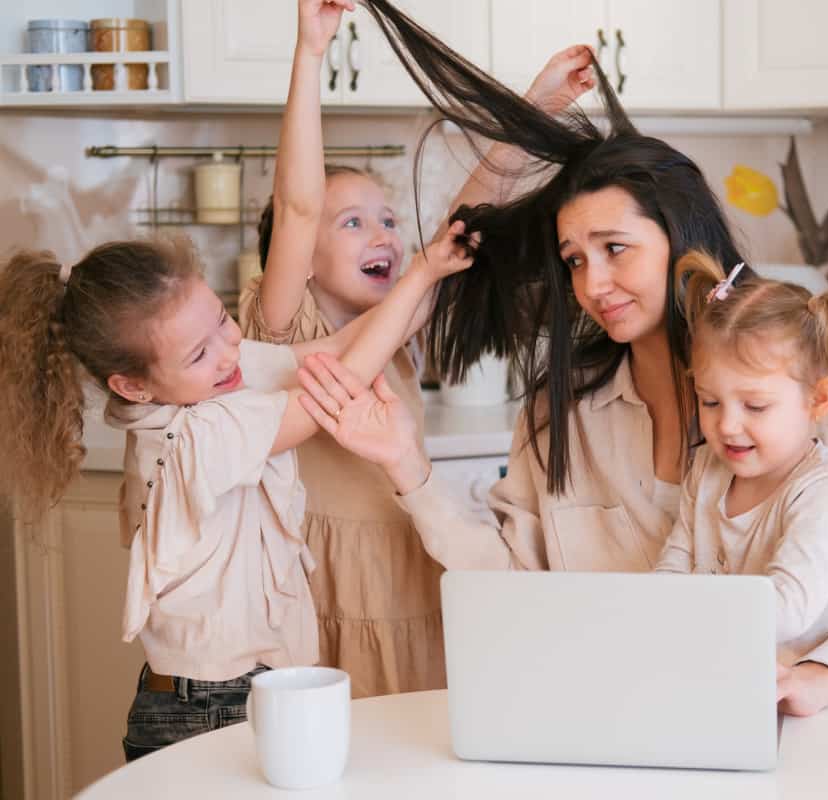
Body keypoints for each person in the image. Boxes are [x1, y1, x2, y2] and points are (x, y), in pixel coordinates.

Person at [295, 0, 828, 718]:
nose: (591, 285)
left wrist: (827, 675)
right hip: (646, 725)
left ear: (677, 236)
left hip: (825, 740)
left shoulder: (788, 376)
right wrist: (404, 465)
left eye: (615, 250)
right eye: (574, 259)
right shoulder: (563, 410)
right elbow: (517, 580)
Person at [0, 227, 471, 759]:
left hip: (207, 693)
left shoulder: (207, 377)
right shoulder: (196, 436)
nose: (229, 352)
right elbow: (340, 381)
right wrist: (425, 273)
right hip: (211, 705)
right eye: (200, 352)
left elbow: (339, 347)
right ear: (132, 386)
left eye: (223, 319)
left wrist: (431, 273)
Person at [239, 0, 597, 697]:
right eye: (352, 222)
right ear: (300, 258)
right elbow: (298, 206)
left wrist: (539, 107)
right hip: (324, 581)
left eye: (387, 219)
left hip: (413, 563)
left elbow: (466, 224)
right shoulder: (280, 326)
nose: (382, 235)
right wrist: (310, 53)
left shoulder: (401, 326)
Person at [654, 253, 828, 722]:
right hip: (760, 703)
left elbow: (786, 609)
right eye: (710, 401)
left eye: (755, 406)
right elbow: (673, 567)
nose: (727, 425)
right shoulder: (707, 471)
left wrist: (683, 618)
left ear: (817, 400)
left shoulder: (825, 492)